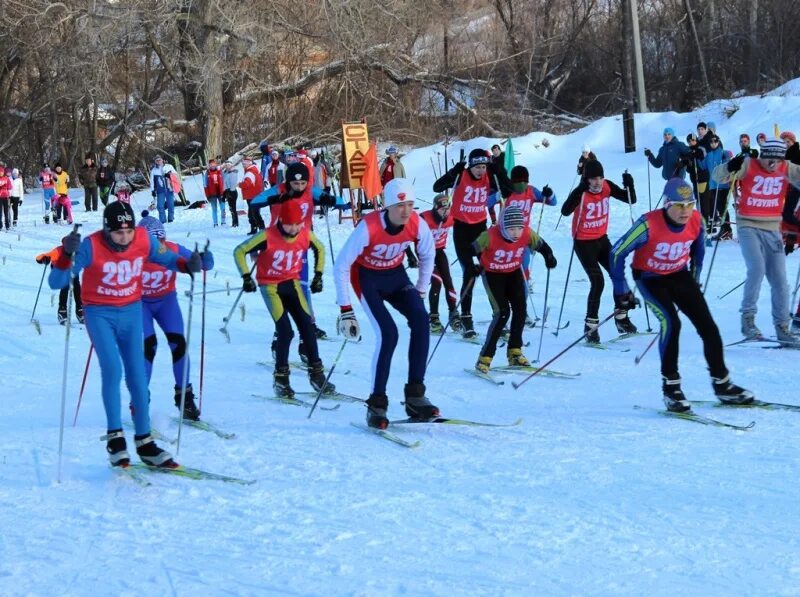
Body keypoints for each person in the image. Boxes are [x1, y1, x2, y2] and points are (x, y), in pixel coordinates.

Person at [48, 201, 204, 467]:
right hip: (100, 314)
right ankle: (115, 438)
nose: (125, 238)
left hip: (131, 312)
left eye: (128, 231)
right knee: (112, 368)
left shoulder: (144, 239)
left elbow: (168, 257)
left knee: (136, 374)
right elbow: (57, 282)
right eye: (118, 233)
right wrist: (65, 254)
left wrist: (189, 264)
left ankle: (145, 443)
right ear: (107, 230)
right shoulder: (92, 245)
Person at [610, 178, 753, 413]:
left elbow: (698, 251)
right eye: (679, 205)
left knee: (708, 327)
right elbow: (617, 252)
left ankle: (722, 384)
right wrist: (621, 288)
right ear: (667, 204)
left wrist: (695, 278)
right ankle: (671, 388)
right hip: (650, 278)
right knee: (671, 323)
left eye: (690, 204)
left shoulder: (696, 219)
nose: (686, 211)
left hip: (679, 275)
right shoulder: (648, 224)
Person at [334, 178, 436, 429]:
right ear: (387, 207)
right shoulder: (368, 227)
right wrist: (346, 309)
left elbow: (428, 254)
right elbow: (342, 265)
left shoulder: (416, 224)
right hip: (367, 279)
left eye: (410, 204)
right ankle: (376, 403)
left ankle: (415, 395)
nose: (406, 211)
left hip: (395, 275)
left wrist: (421, 291)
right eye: (400, 206)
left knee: (422, 320)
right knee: (388, 334)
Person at [234, 200, 334, 397]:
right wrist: (246, 276)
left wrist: (319, 275)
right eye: (290, 224)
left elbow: (320, 249)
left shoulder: (304, 233)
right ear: (281, 221)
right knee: (286, 331)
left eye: (298, 224)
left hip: (292, 283)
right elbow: (240, 251)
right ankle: (281, 378)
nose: (295, 228)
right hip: (270, 286)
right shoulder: (268, 235)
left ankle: (316, 374)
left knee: (307, 326)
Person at [714, 138, 800, 343]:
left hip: (773, 228)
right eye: (769, 158)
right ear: (763, 154)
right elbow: (717, 177)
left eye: (777, 159)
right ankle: (748, 321)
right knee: (757, 268)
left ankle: (782, 327)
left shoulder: (786, 167)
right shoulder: (748, 165)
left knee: (780, 279)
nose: (773, 164)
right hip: (748, 225)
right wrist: (729, 166)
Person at [251, 162, 347, 342]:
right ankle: (280, 327)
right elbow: (255, 201)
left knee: (302, 286)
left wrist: (332, 201)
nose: (299, 187)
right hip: (278, 243)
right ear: (288, 182)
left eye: (302, 183)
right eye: (295, 184)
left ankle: (309, 324)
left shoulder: (311, 191)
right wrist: (275, 199)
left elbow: (337, 201)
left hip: (301, 243)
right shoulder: (279, 189)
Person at [138, 211, 213, 420]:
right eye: (153, 242)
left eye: (161, 240)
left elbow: (202, 263)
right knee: (147, 348)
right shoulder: (132, 253)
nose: (158, 246)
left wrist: (204, 259)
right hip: (140, 304)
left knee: (179, 344)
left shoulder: (172, 249)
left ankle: (185, 398)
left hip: (166, 302)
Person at [432, 148, 512, 338]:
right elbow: (437, 187)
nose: (480, 171)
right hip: (461, 231)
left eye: (484, 167)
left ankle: (499, 316)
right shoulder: (461, 175)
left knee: (491, 272)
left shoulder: (489, 176)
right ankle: (467, 319)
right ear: (471, 166)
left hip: (481, 230)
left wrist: (498, 171)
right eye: (477, 167)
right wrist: (453, 171)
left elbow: (507, 191)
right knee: (469, 273)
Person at [473, 205, 557, 373]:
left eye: (519, 228)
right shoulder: (489, 236)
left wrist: (549, 256)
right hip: (492, 275)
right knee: (502, 313)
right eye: (511, 229)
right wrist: (472, 266)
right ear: (503, 226)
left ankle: (515, 352)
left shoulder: (526, 233)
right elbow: (471, 249)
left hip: (513, 273)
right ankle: (485, 357)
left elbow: (542, 245)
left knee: (520, 310)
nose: (516, 233)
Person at [561, 159, 638, 342]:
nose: (597, 182)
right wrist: (578, 192)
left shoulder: (607, 187)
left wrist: (629, 184)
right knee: (598, 282)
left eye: (600, 178)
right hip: (583, 242)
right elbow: (565, 211)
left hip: (601, 239)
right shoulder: (581, 192)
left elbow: (631, 199)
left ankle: (621, 318)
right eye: (593, 179)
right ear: (586, 179)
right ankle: (590, 327)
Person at [420, 194, 458, 332]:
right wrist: (411, 255)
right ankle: (434, 317)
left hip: (439, 252)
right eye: (442, 210)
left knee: (448, 282)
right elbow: (409, 234)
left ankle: (454, 315)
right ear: (435, 208)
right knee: (437, 282)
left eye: (447, 209)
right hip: (425, 254)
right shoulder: (424, 218)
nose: (445, 213)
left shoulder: (452, 217)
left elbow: (465, 225)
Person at [35, 247, 83, 324]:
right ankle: (62, 310)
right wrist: (44, 259)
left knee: (76, 284)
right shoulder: (58, 251)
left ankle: (80, 309)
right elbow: (39, 258)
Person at [697, 134, 730, 234]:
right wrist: (699, 158)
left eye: (715, 141)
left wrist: (727, 158)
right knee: (719, 208)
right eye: (711, 142)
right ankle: (724, 228)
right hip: (713, 185)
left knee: (723, 208)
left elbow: (729, 166)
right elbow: (703, 167)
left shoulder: (723, 153)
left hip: (723, 185)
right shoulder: (709, 154)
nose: (713, 143)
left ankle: (727, 229)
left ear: (718, 141)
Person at [239, 156, 265, 234]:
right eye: (243, 163)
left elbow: (247, 183)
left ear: (249, 163)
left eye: (245, 163)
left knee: (253, 213)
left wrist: (240, 184)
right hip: (255, 194)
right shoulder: (254, 170)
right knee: (254, 212)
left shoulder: (250, 172)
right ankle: (257, 228)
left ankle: (260, 228)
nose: (243, 165)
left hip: (252, 195)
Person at [149, 155, 177, 224]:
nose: (158, 161)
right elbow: (152, 181)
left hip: (169, 188)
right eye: (157, 160)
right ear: (155, 162)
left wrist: (169, 175)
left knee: (171, 204)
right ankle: (162, 220)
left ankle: (171, 219)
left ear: (162, 160)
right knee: (160, 206)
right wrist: (152, 190)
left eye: (159, 160)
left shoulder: (169, 166)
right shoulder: (154, 170)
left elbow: (175, 174)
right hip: (160, 190)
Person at [204, 158, 226, 226]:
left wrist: (225, 192)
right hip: (212, 194)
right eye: (211, 165)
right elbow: (205, 185)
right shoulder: (207, 173)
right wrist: (207, 195)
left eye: (214, 164)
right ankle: (215, 223)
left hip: (221, 193)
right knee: (214, 209)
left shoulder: (220, 171)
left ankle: (223, 221)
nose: (213, 166)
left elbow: (224, 182)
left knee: (223, 208)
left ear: (216, 164)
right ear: (209, 165)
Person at [222, 160, 240, 228]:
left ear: (231, 165)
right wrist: (224, 193)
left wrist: (230, 191)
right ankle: (234, 222)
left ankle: (236, 223)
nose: (227, 166)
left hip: (232, 192)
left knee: (233, 208)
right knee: (231, 208)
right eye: (226, 165)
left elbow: (233, 183)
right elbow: (224, 183)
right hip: (227, 192)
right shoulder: (225, 172)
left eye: (228, 165)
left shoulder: (233, 172)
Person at [0, 165, 11, 231]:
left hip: (6, 196)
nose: (1, 173)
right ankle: (0, 225)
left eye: (1, 172)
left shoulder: (6, 178)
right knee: (0, 211)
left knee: (6, 211)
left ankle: (7, 225)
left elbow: (10, 186)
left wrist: (6, 188)